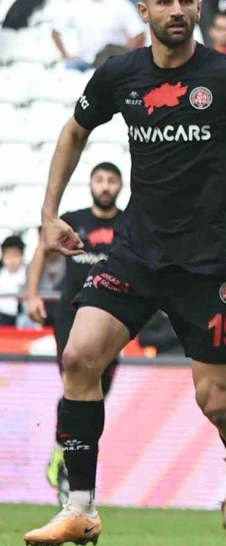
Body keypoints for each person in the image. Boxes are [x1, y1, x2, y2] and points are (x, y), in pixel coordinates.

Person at [22, 0, 226, 546]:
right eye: (163, 1)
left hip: (208, 263)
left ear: (199, 8)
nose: (176, 9)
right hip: (137, 253)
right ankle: (80, 509)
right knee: (78, 356)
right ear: (143, 13)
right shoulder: (121, 73)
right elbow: (74, 131)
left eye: (186, 0)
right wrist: (50, 217)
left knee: (217, 402)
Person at [26, 164, 124, 506]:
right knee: (75, 382)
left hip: (114, 316)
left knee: (100, 390)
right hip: (71, 315)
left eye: (111, 180)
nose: (106, 186)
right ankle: (66, 457)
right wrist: (33, 293)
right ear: (91, 184)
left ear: (121, 185)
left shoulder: (128, 223)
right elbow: (43, 249)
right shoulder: (72, 219)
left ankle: (68, 451)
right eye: (100, 180)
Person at [50, 0, 144, 70]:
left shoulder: (121, 4)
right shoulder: (77, 3)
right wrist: (66, 56)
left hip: (111, 64)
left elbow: (139, 34)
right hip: (84, 62)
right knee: (69, 68)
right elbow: (55, 32)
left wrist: (126, 59)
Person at [0, 234, 25, 326]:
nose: (12, 260)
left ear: (22, 255)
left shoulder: (28, 274)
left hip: (20, 318)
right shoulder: (1, 274)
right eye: (8, 256)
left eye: (15, 255)